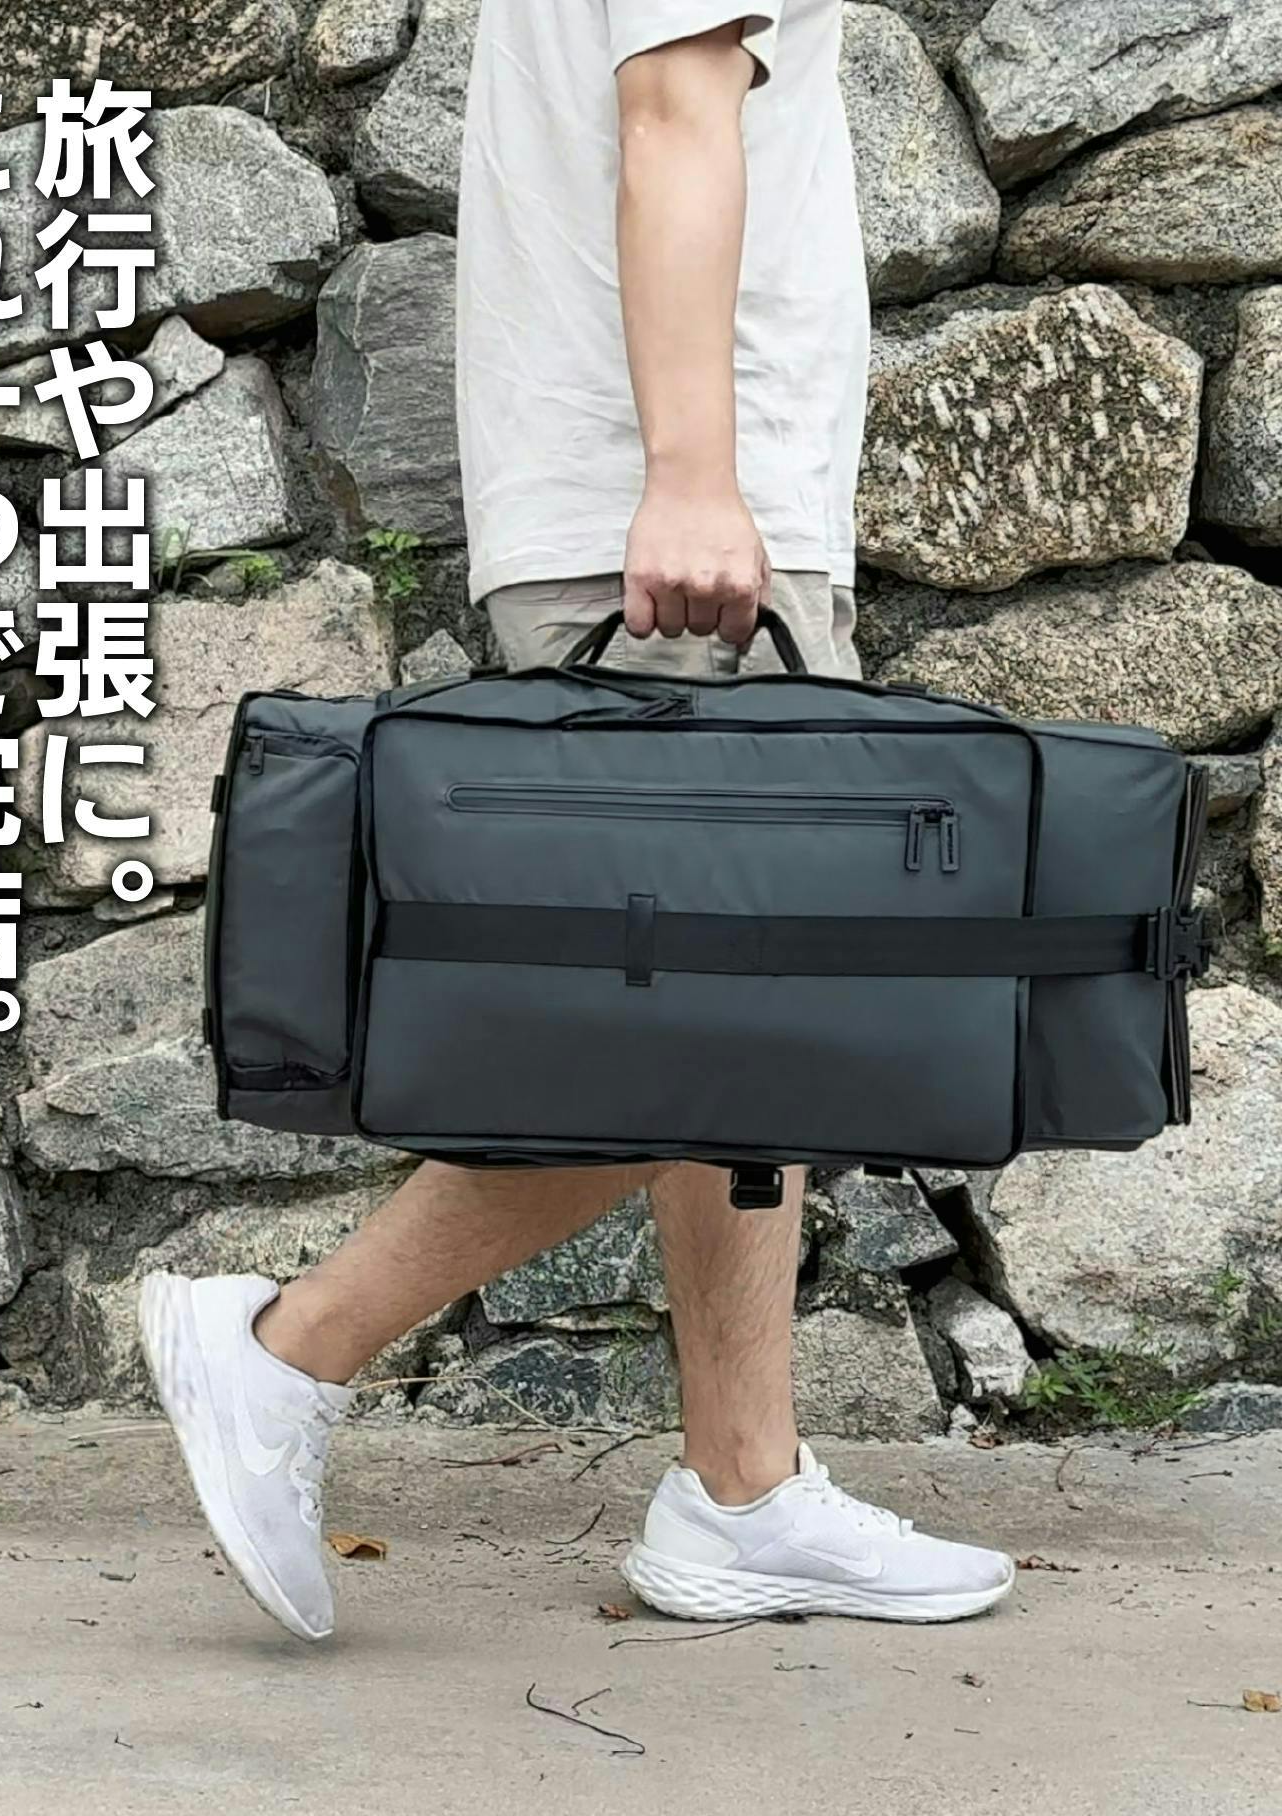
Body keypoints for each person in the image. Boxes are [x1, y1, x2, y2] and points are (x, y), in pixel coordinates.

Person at [138, 0, 1014, 1642]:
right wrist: (692, 473)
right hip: (668, 512)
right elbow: (675, 109)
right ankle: (291, 1347)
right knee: (739, 1017)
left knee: (720, 1023)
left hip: (672, 498)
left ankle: (743, 1490)